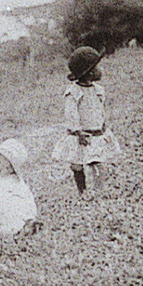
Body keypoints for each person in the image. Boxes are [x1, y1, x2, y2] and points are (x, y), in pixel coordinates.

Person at [52, 46, 121, 199]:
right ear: (89, 72)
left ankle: (99, 190)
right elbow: (71, 113)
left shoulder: (98, 90)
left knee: (97, 162)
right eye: (97, 68)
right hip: (82, 135)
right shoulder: (74, 92)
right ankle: (82, 191)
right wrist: (77, 131)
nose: (100, 70)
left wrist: (103, 123)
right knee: (77, 164)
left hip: (96, 133)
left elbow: (100, 108)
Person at [0, 139, 38, 236]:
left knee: (9, 225)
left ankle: (20, 229)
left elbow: (26, 200)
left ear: (11, 169)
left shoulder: (14, 182)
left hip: (3, 217)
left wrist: (28, 216)